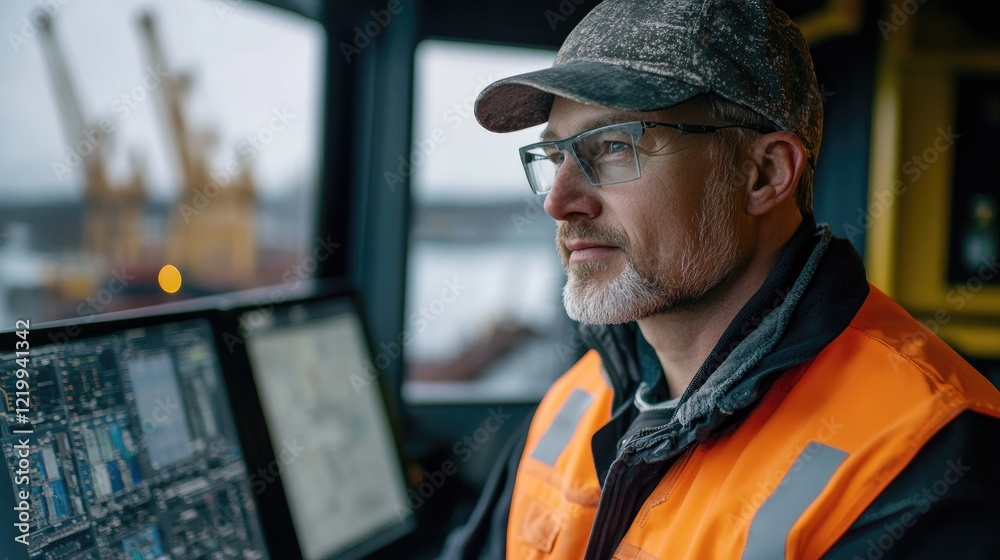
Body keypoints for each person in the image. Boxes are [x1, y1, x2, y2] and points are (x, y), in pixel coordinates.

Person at [439, 0, 1000, 558]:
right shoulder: (581, 395)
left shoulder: (924, 455)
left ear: (764, 174)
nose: (559, 202)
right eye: (557, 155)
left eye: (613, 147)